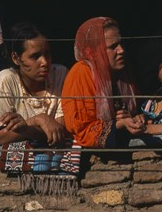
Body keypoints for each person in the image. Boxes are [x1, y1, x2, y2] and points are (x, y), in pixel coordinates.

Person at [62, 17, 145, 148]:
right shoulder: (81, 74)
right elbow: (82, 130)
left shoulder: (125, 71)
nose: (121, 50)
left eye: (121, 44)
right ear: (92, 52)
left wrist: (136, 118)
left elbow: (136, 109)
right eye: (113, 47)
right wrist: (119, 124)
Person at [0, 22, 68, 147]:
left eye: (47, 54)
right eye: (35, 56)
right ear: (16, 58)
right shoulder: (6, 80)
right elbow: (2, 137)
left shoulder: (59, 74)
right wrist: (38, 120)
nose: (44, 62)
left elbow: (59, 130)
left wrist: (26, 127)